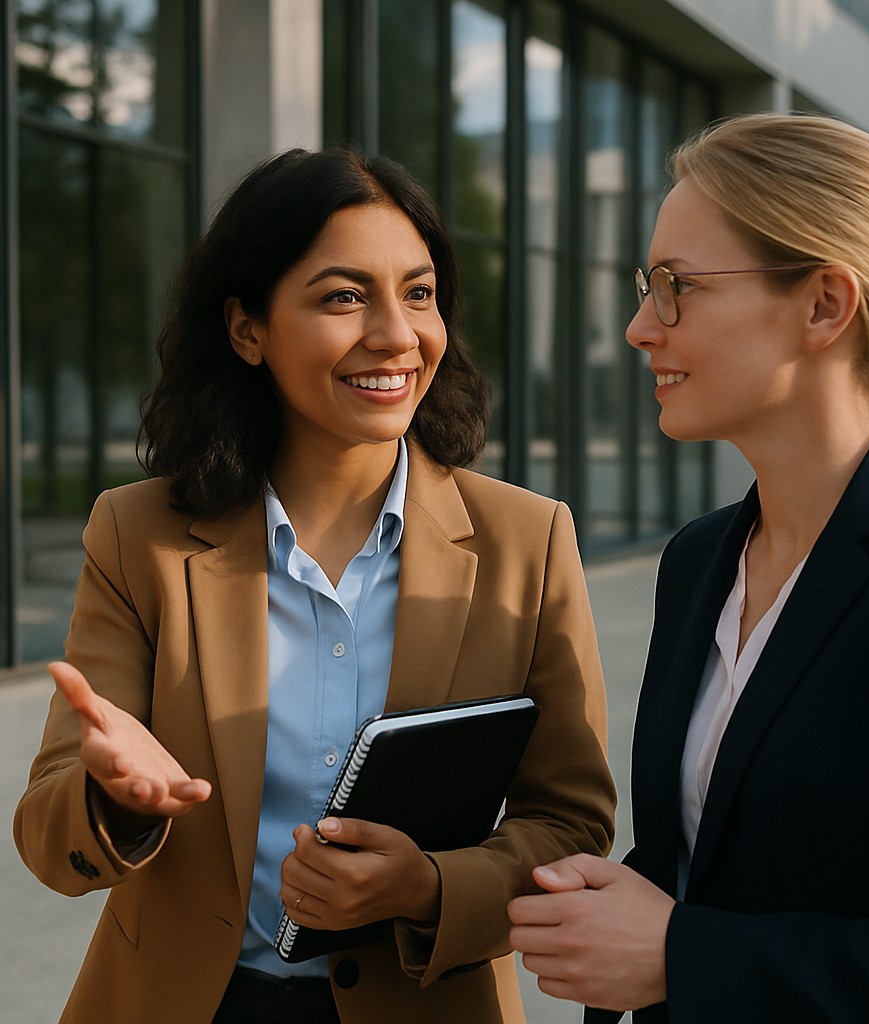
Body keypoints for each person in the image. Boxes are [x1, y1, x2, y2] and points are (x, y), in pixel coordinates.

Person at [14, 147, 615, 1024]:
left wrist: (429, 884)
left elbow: (570, 824)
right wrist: (116, 802)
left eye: (418, 293)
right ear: (247, 328)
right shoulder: (136, 536)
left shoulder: (529, 541)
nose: (397, 335)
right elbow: (47, 831)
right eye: (344, 296)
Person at [509, 112, 869, 1022]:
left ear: (826, 304)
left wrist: (681, 954)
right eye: (644, 285)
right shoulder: (699, 560)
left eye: (675, 287)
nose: (638, 327)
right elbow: (710, 866)